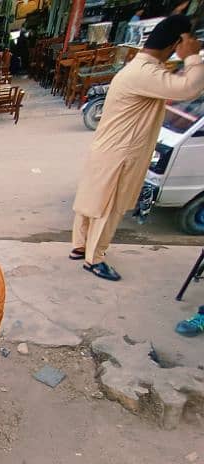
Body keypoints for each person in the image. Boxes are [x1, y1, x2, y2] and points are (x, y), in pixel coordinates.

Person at [69, 15, 204, 282]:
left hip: (110, 148)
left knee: (93, 202)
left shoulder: (141, 70)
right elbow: (191, 87)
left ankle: (80, 246)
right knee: (109, 207)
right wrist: (191, 56)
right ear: (176, 43)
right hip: (121, 153)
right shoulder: (144, 73)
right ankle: (94, 258)